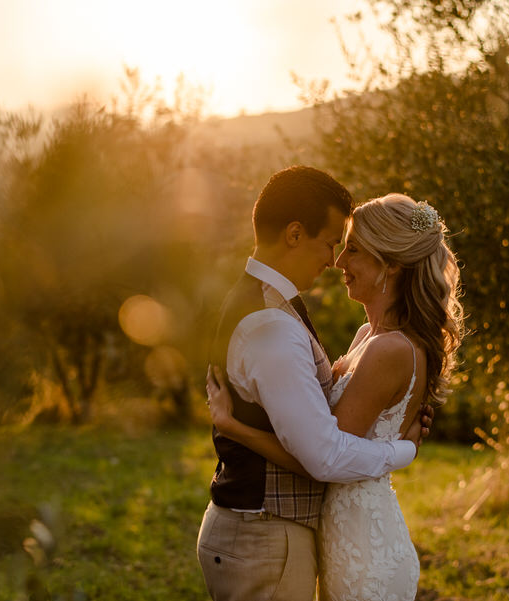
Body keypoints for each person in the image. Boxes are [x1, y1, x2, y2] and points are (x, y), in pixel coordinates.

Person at [206, 192, 464, 600]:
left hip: (361, 540)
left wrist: (233, 427)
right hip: (336, 528)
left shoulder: (389, 349)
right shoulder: (368, 337)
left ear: (392, 265)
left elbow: (321, 457)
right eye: (339, 247)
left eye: (353, 250)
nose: (338, 262)